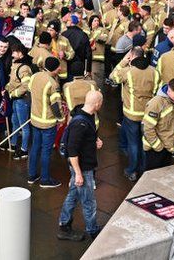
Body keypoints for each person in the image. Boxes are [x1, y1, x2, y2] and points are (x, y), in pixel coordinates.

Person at [57, 90, 103, 242]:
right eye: (101, 102)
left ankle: (64, 224)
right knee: (89, 201)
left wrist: (95, 140)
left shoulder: (85, 116)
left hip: (82, 166)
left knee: (73, 195)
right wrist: (78, 173)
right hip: (83, 168)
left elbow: (85, 138)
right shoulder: (80, 124)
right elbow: (72, 151)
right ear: (97, 104)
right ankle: (93, 230)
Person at [109, 47, 157, 180]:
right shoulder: (154, 71)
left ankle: (132, 170)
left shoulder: (128, 72)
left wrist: (124, 61)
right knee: (144, 143)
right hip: (148, 113)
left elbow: (112, 77)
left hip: (131, 113)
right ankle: (143, 169)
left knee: (133, 143)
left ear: (132, 56)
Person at [28, 57, 65, 188]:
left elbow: (29, 90)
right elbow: (56, 106)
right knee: (46, 150)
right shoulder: (53, 84)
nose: (60, 68)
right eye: (58, 67)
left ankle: (32, 175)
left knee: (35, 147)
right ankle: (45, 179)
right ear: (54, 69)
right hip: (47, 123)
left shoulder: (35, 76)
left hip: (35, 119)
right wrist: (61, 119)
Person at [142, 79, 174, 170]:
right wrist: (158, 147)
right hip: (155, 150)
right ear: (169, 90)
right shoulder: (156, 103)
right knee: (151, 176)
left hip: (168, 147)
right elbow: (148, 128)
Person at [5, 44, 34, 160]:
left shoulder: (24, 68)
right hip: (16, 99)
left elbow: (26, 86)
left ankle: (24, 149)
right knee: (15, 121)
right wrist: (7, 89)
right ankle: (13, 144)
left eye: (14, 52)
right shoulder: (16, 65)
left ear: (20, 53)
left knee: (24, 126)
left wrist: (13, 94)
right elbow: (13, 82)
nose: (12, 54)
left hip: (22, 100)